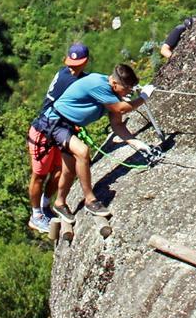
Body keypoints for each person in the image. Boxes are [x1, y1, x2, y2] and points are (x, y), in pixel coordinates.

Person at [33, 63, 155, 225]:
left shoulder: (112, 93)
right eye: (127, 89)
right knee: (83, 152)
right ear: (115, 84)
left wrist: (140, 145)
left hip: (66, 126)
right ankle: (90, 200)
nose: (128, 93)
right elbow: (121, 109)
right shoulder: (99, 85)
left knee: (69, 170)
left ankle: (59, 203)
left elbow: (117, 125)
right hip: (55, 121)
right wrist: (143, 98)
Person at [26, 43, 90, 234]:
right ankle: (36, 216)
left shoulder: (77, 77)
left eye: (76, 63)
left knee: (61, 169)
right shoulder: (67, 79)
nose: (72, 67)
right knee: (39, 175)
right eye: (70, 63)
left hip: (58, 130)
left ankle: (45, 204)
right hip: (44, 131)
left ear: (85, 62)